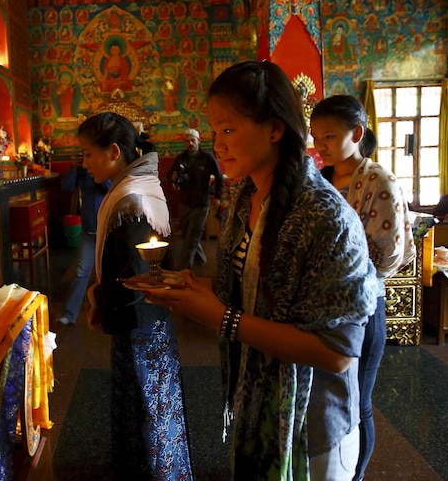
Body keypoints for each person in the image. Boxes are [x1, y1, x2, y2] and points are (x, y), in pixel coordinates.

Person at [142, 61, 377, 480]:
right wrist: (193, 289)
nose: (219, 144)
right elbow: (253, 290)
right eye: (214, 131)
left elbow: (337, 352)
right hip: (253, 406)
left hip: (311, 427)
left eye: (229, 129)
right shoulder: (247, 197)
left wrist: (221, 318)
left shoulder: (325, 216)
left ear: (274, 128)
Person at [78, 112, 193, 480]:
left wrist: (97, 295)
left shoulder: (131, 200)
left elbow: (134, 280)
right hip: (149, 321)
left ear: (113, 152)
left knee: (148, 407)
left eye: (87, 154)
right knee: (148, 404)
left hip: (141, 326)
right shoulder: (138, 186)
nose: (84, 164)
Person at [310, 95, 416, 481]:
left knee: (359, 401)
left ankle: (355, 475)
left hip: (363, 305)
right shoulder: (319, 180)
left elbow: (388, 254)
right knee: (327, 397)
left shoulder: (377, 180)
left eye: (329, 137)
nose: (319, 146)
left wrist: (340, 269)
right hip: (320, 306)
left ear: (356, 133)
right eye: (315, 137)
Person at [57, 155, 110, 325]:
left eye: (90, 154)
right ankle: (69, 314)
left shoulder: (107, 166)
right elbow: (66, 187)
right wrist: (74, 168)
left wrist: (98, 169)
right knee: (81, 272)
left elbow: (110, 187)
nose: (87, 159)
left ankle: (110, 313)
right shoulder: (81, 170)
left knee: (110, 273)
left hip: (109, 231)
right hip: (88, 230)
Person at [167, 127, 223, 271]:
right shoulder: (181, 158)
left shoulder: (207, 157)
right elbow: (169, 176)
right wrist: (173, 178)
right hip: (184, 203)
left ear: (198, 141)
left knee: (192, 238)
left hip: (201, 203)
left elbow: (219, 177)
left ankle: (183, 270)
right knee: (187, 236)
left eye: (193, 140)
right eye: (187, 141)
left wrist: (218, 196)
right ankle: (201, 259)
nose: (190, 143)